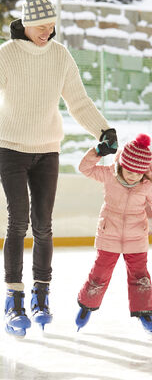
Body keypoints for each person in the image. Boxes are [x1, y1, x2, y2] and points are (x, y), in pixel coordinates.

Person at [0, 0, 118, 337]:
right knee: (18, 220)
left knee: (43, 224)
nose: (48, 32)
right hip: (10, 146)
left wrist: (103, 130)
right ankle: (13, 298)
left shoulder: (60, 56)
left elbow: (78, 100)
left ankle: (41, 296)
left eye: (52, 26)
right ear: (27, 24)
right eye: (42, 26)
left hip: (47, 147)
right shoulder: (6, 55)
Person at [76, 134, 152, 334]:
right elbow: (85, 168)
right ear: (121, 163)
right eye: (130, 170)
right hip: (109, 235)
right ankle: (86, 306)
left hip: (136, 238)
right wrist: (98, 152)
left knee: (140, 277)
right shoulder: (110, 174)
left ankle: (145, 311)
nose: (133, 176)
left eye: (138, 172)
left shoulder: (147, 185)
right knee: (99, 274)